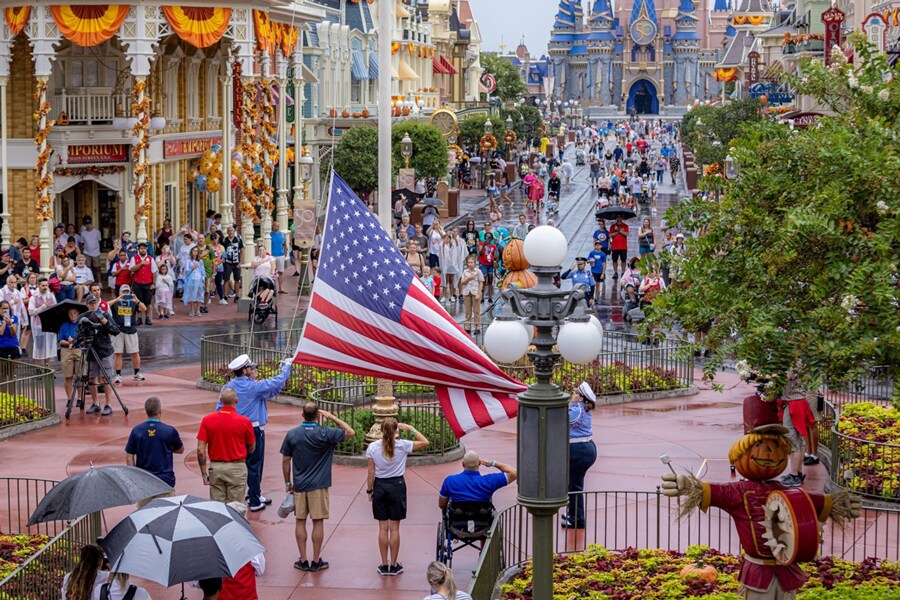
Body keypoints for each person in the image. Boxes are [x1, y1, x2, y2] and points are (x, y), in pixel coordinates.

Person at [280, 401, 355, 572]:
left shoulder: (292, 434)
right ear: (317, 415)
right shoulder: (325, 433)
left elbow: (285, 460)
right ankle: (315, 559)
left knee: (300, 520)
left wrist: (287, 482)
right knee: (318, 521)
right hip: (319, 485)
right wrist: (332, 417)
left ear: (302, 415)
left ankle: (303, 559)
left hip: (299, 485)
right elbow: (350, 432)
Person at [219, 353, 293, 512]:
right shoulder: (252, 387)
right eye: (250, 367)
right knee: (254, 465)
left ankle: (255, 493)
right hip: (253, 429)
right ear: (245, 370)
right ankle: (254, 500)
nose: (253, 368)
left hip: (235, 430)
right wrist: (286, 368)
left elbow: (220, 408)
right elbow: (276, 382)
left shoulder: (228, 387)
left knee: (244, 463)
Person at [366, 417, 430, 576]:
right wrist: (411, 428)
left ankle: (383, 564)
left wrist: (369, 490)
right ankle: (393, 564)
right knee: (394, 529)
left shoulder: (373, 448)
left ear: (381, 430)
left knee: (382, 528)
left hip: (380, 486)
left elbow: (370, 472)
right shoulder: (403, 445)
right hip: (397, 486)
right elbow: (425, 442)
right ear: (396, 431)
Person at [197, 387, 255, 503]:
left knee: (218, 509)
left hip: (216, 468)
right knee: (236, 508)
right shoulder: (245, 422)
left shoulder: (207, 420)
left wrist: (204, 473)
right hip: (236, 468)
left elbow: (200, 450)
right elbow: (251, 447)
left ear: (221, 401)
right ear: (236, 401)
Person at [125, 397, 183, 503]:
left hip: (144, 481)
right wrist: (166, 448)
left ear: (146, 411)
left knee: (145, 516)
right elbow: (180, 450)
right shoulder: (170, 431)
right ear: (160, 411)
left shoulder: (136, 430)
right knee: (167, 515)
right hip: (165, 481)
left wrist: (135, 477)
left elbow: (129, 457)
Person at [563, 381, 597, 529]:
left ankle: (577, 519)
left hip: (579, 450)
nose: (573, 395)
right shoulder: (582, 408)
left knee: (575, 485)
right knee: (573, 483)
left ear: (582, 398)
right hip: (585, 448)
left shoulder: (577, 410)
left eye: (576, 393)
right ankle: (573, 513)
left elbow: (564, 420)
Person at [217, 501, 266, 600]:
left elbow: (197, 582)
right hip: (246, 595)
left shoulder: (215, 544)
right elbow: (260, 569)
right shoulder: (250, 543)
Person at [81, 295, 120, 416]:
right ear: (87, 304)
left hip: (104, 350)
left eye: (95, 302)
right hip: (91, 350)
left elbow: (115, 330)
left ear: (98, 302)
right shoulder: (84, 317)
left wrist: (104, 321)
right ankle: (95, 403)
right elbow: (80, 334)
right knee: (91, 377)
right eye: (91, 303)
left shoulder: (106, 315)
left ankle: (108, 404)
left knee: (106, 378)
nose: (93, 305)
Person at [438, 450, 516, 509]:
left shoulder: (450, 481)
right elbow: (514, 473)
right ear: (479, 463)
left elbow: (442, 505)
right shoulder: (489, 481)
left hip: (457, 523)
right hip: (483, 523)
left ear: (463, 464)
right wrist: (493, 463)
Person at [108, 285, 146, 383]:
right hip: (118, 330)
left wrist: (136, 300)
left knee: (135, 352)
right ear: (120, 292)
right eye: (123, 292)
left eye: (127, 292)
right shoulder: (116, 303)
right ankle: (118, 374)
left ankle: (137, 372)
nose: (125, 294)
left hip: (131, 329)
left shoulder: (133, 302)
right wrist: (117, 299)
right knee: (118, 353)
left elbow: (144, 309)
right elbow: (105, 306)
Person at [28, 277, 57, 366]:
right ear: (38, 285)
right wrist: (43, 306)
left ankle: (47, 367)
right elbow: (31, 312)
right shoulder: (34, 297)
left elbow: (55, 310)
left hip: (49, 325)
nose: (45, 287)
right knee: (39, 347)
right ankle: (38, 369)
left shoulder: (51, 296)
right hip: (38, 326)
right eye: (43, 285)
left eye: (46, 285)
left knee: (48, 347)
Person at [58, 307, 83, 403]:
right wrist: (69, 343)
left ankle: (80, 397)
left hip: (78, 349)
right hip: (67, 350)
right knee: (68, 376)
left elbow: (84, 338)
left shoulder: (81, 325)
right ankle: (69, 398)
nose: (73, 315)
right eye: (70, 313)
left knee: (79, 375)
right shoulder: (64, 325)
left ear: (78, 313)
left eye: (74, 313)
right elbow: (60, 340)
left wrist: (75, 341)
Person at [460, 255, 484, 335]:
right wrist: (469, 278)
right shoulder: (465, 272)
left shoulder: (478, 271)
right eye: (469, 263)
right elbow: (462, 282)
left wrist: (479, 293)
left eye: (471, 262)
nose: (470, 264)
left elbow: (481, 282)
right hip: (467, 292)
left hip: (475, 292)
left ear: (474, 263)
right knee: (468, 311)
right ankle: (467, 327)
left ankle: (477, 327)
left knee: (476, 311)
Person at [183, 246, 205, 317]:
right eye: (194, 251)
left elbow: (203, 272)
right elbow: (186, 272)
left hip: (199, 279)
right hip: (191, 279)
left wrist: (203, 281)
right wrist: (192, 268)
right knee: (191, 294)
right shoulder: (188, 261)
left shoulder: (200, 261)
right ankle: (192, 310)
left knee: (199, 294)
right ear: (191, 252)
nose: (195, 252)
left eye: (196, 251)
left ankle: (198, 310)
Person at [270, 220, 289, 294]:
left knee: (281, 272)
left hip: (281, 255)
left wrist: (286, 252)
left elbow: (284, 244)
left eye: (278, 226)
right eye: (275, 226)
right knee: (273, 272)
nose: (276, 228)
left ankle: (281, 287)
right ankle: (273, 287)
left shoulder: (282, 234)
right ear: (273, 226)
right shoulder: (270, 235)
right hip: (273, 256)